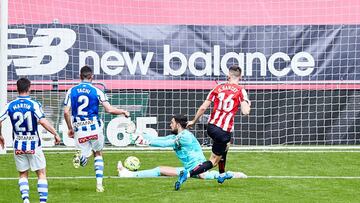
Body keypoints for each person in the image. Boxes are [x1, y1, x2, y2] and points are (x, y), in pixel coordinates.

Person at [175, 65, 251, 190]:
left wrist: (194, 121)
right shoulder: (240, 90)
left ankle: (222, 174)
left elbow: (203, 107)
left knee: (226, 145)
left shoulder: (218, 87)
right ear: (240, 77)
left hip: (211, 127)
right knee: (213, 161)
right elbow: (245, 112)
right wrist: (247, 103)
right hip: (223, 131)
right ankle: (187, 174)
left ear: (228, 75)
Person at [63, 65, 130, 192]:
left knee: (84, 160)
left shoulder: (71, 91)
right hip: (94, 128)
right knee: (98, 153)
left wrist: (70, 128)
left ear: (80, 76)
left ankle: (82, 157)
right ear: (91, 77)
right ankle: (99, 184)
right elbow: (109, 109)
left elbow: (66, 112)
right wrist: (123, 111)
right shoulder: (97, 90)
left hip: (79, 129)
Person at [119, 115, 247, 180]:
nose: (170, 125)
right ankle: (127, 174)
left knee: (206, 176)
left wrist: (142, 140)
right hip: (190, 169)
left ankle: (233, 174)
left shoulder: (184, 136)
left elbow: (164, 144)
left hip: (198, 169)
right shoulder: (178, 136)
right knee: (160, 170)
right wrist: (139, 135)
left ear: (178, 124)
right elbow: (161, 139)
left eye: (172, 123)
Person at [0, 78, 61, 203]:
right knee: (41, 173)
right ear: (29, 88)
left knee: (23, 174)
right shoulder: (34, 104)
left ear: (17, 89)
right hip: (34, 144)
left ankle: (26, 200)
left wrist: (0, 135)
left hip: (18, 145)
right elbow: (42, 121)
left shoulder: (10, 105)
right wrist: (55, 134)